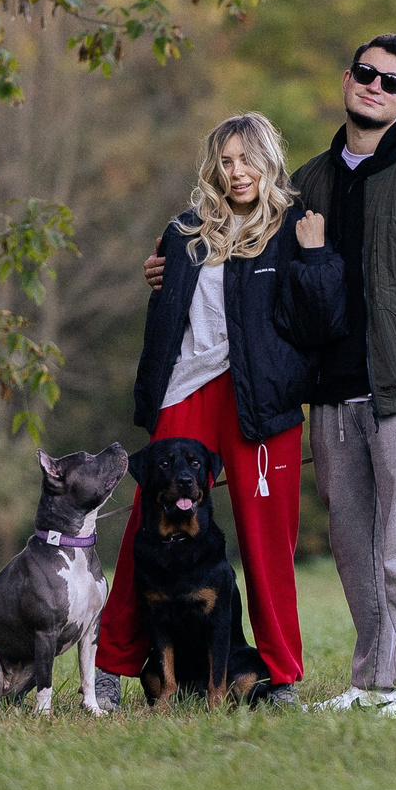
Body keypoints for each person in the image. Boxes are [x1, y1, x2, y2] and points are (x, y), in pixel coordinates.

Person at [143, 34, 396, 719]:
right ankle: (371, 677)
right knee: (355, 542)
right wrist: (168, 268)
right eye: (366, 73)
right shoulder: (310, 183)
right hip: (331, 394)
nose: (375, 86)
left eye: (392, 82)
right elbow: (240, 256)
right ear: (347, 79)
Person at [97, 111, 345, 710]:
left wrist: (313, 260)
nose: (237, 173)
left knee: (267, 544)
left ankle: (281, 675)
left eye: (247, 159)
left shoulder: (294, 229)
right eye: (226, 161)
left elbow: (322, 322)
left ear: (268, 161)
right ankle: (110, 664)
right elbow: (164, 315)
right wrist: (157, 275)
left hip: (262, 400)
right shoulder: (185, 233)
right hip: (186, 391)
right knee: (143, 530)